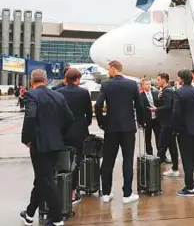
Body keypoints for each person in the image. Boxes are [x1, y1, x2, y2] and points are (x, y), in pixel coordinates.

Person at [20, 69, 74, 226]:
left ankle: (57, 218)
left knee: (46, 181)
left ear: (32, 81)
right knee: (42, 179)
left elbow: (30, 118)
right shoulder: (58, 95)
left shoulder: (31, 95)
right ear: (45, 80)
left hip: (39, 145)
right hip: (56, 144)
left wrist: (27, 140)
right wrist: (58, 134)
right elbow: (70, 118)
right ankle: (29, 213)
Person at [95, 60, 144, 204]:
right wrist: (141, 121)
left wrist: (102, 122)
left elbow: (98, 105)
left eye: (108, 69)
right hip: (128, 128)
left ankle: (106, 193)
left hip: (111, 128)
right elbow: (140, 106)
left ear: (113, 69)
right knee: (127, 160)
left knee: (108, 160)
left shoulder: (106, 85)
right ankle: (127, 194)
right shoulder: (132, 84)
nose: (107, 72)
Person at [56, 68, 93, 204]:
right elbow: (89, 114)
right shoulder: (83, 93)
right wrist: (84, 124)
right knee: (76, 162)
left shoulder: (58, 92)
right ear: (78, 79)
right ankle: (72, 193)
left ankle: (61, 189)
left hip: (63, 132)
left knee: (62, 161)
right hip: (79, 131)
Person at [173, 69, 194, 196]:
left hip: (184, 130)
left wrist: (176, 129)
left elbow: (176, 113)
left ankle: (189, 186)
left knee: (187, 158)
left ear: (181, 79)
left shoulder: (179, 93)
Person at [151, 73, 179, 176]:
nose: (157, 82)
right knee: (172, 146)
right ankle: (175, 168)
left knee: (161, 146)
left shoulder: (167, 91)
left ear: (164, 80)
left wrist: (156, 109)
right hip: (169, 123)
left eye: (158, 80)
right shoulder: (167, 91)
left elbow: (168, 106)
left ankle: (155, 170)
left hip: (167, 124)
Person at [140, 78, 161, 156]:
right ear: (142, 86)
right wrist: (140, 122)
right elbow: (139, 110)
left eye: (149, 84)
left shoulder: (156, 93)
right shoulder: (140, 96)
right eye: (147, 84)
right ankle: (149, 155)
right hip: (147, 120)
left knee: (159, 137)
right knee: (147, 138)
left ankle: (161, 154)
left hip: (156, 119)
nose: (149, 85)